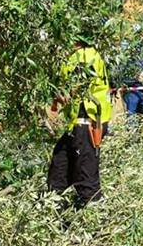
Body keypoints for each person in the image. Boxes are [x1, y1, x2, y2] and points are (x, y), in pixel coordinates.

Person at [47, 39, 112, 208]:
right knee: (59, 169)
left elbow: (74, 90)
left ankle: (96, 222)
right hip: (77, 125)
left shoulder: (84, 57)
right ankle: (54, 212)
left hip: (87, 123)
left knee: (86, 178)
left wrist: (51, 92)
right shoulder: (85, 54)